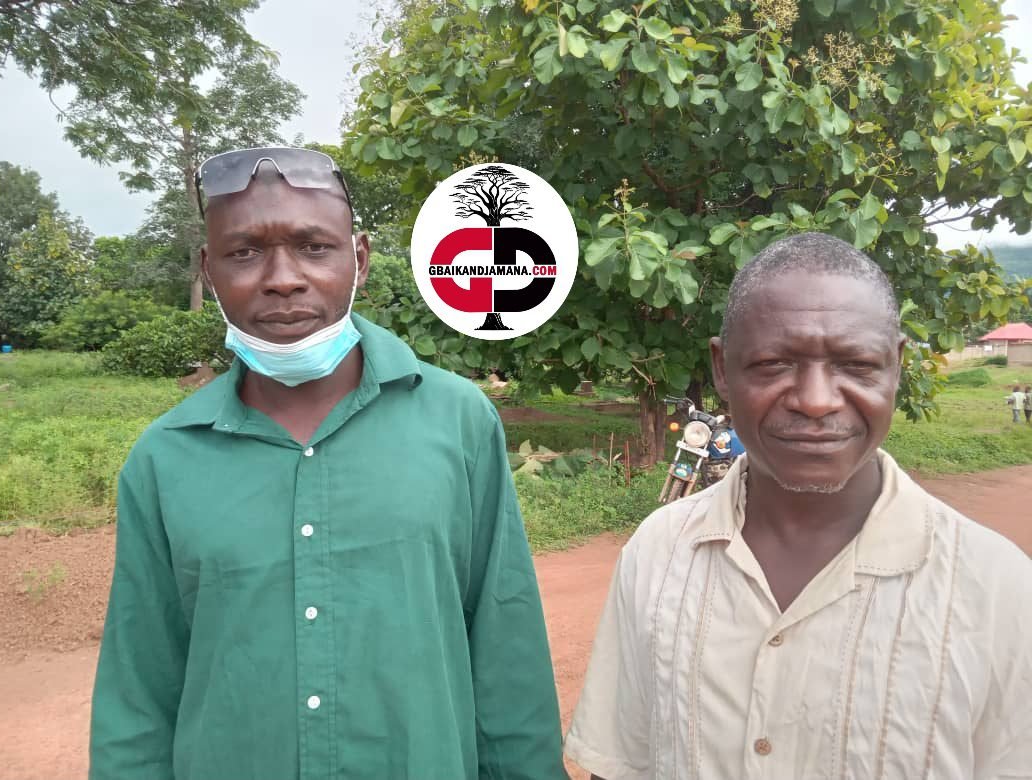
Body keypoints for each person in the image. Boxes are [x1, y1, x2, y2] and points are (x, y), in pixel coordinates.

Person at [89, 147, 567, 780]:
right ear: (208, 269)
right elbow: (140, 686)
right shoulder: (164, 457)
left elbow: (507, 644)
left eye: (314, 247)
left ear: (359, 259)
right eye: (244, 252)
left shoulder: (459, 420)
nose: (282, 278)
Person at [565, 233, 1032, 780]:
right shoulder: (658, 554)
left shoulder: (999, 589)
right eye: (773, 362)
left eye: (856, 363)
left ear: (897, 365)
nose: (815, 401)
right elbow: (621, 766)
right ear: (721, 368)